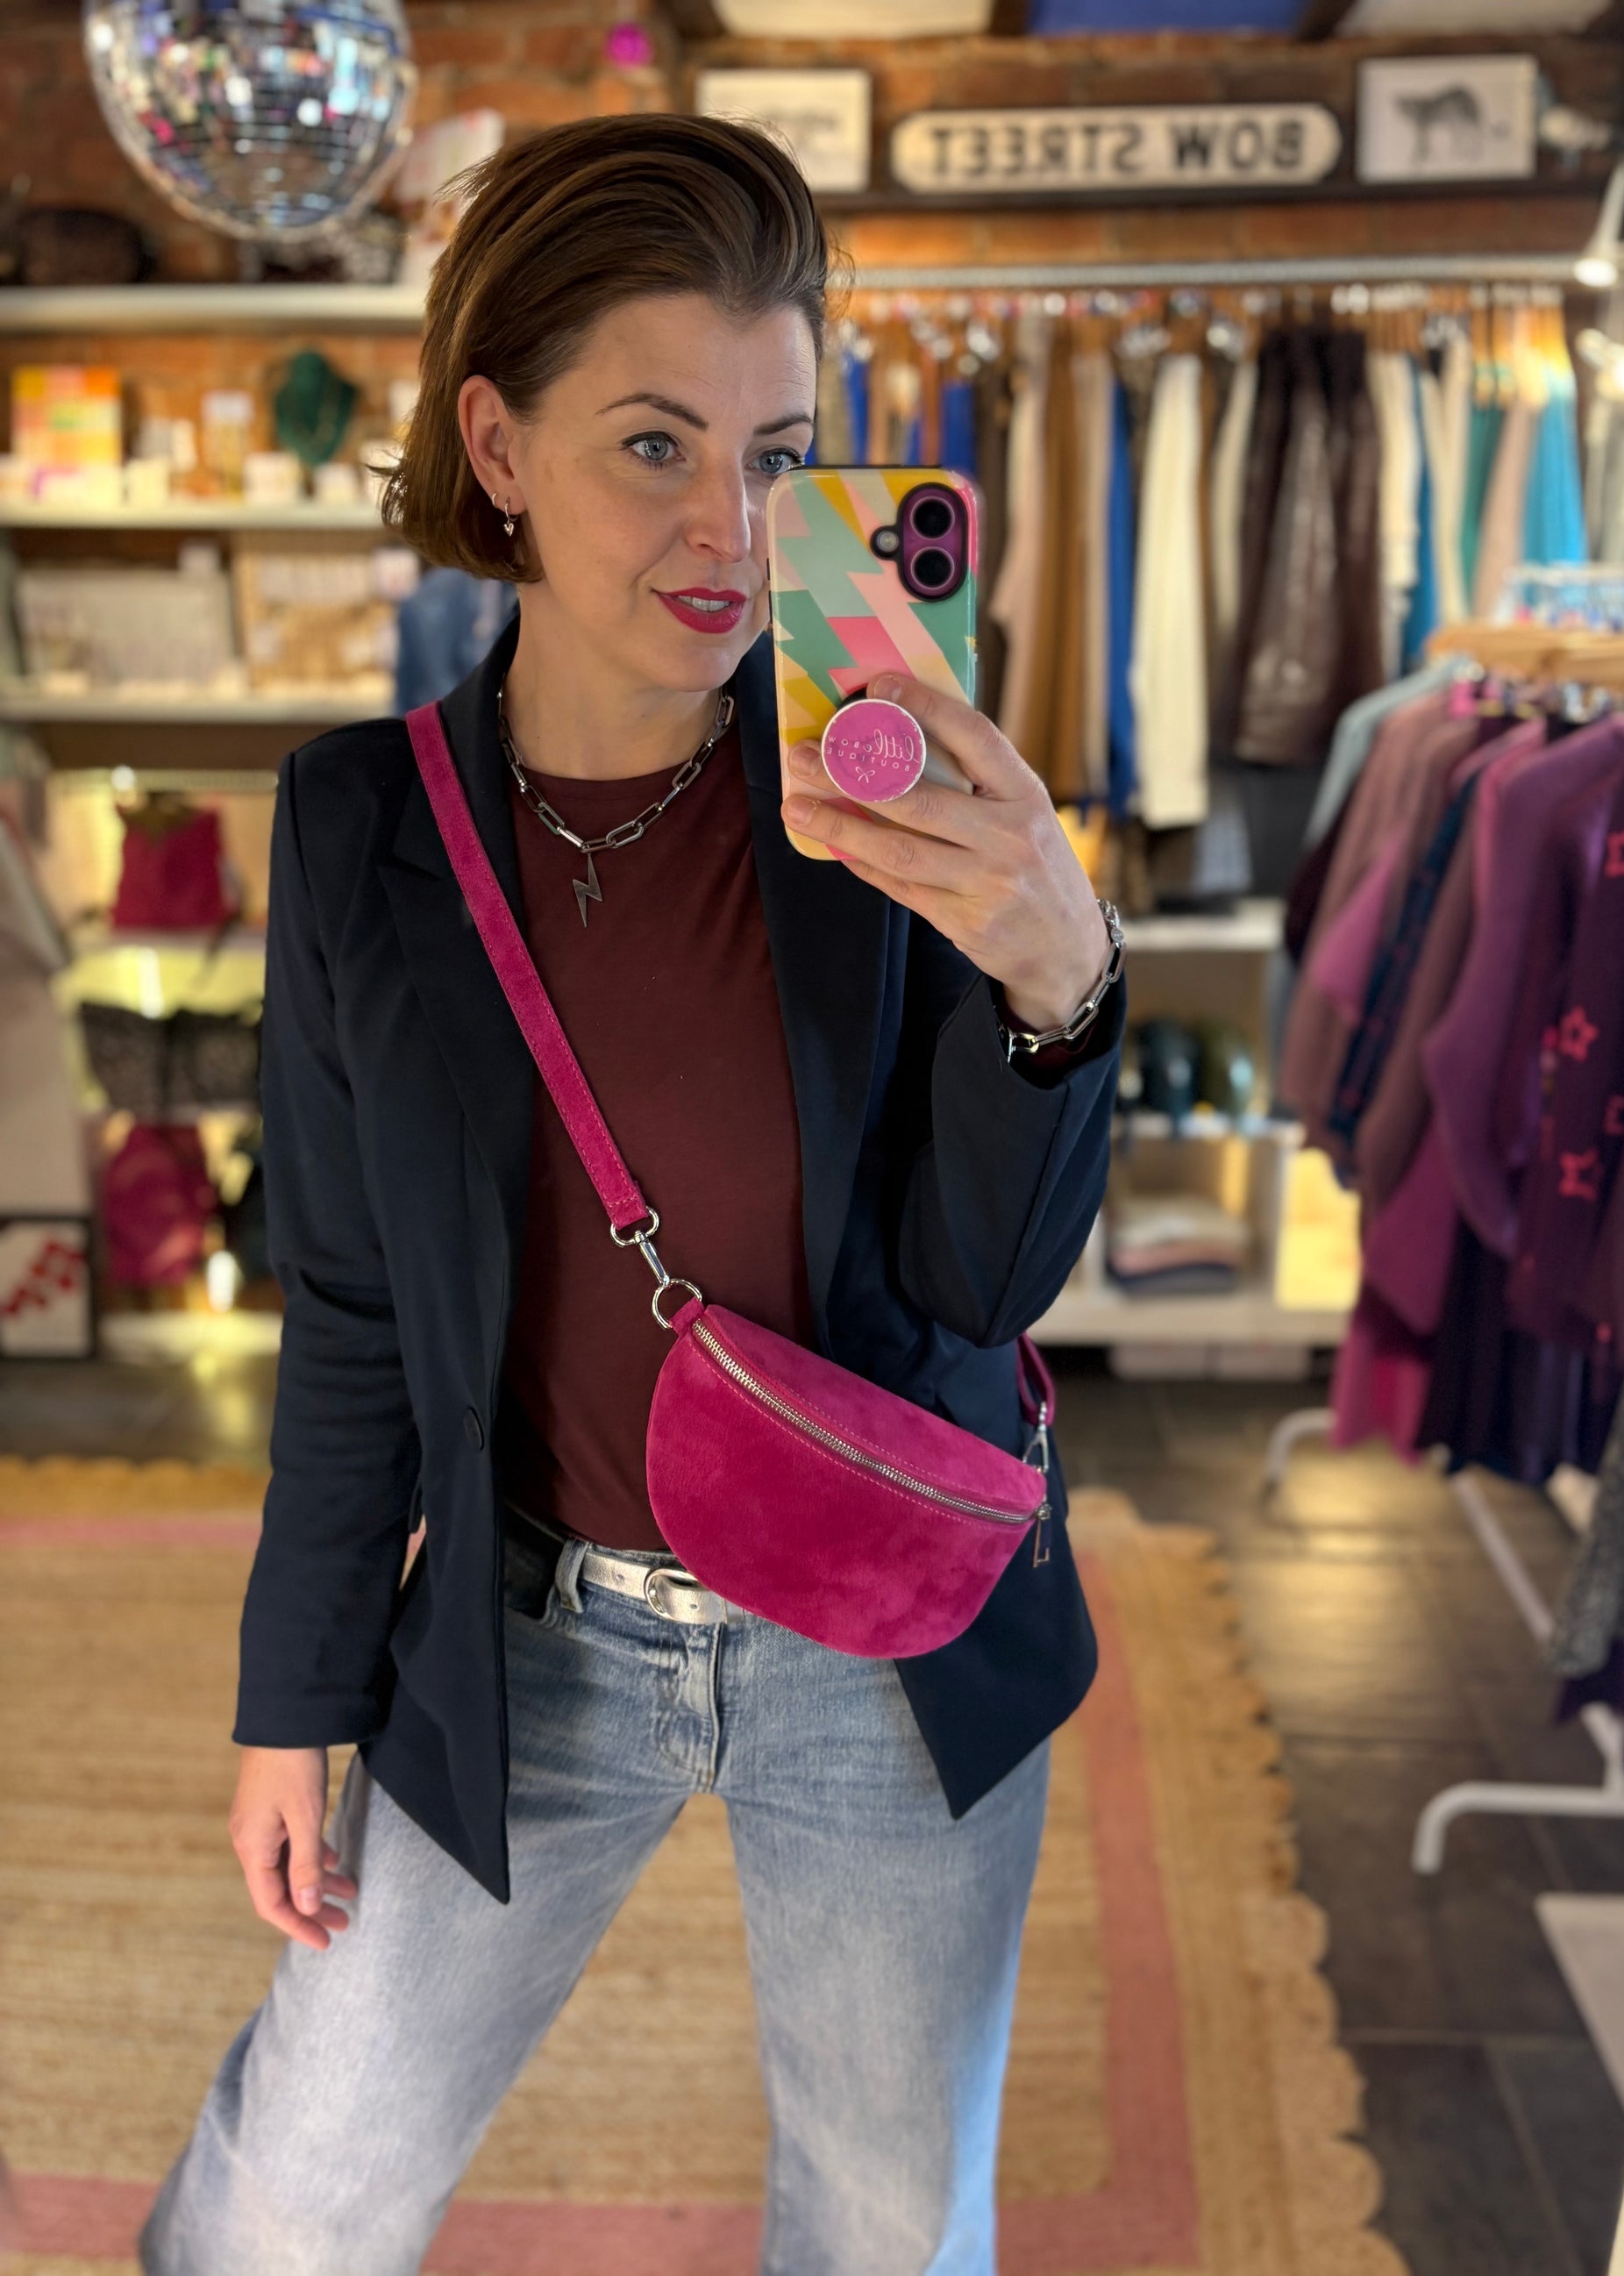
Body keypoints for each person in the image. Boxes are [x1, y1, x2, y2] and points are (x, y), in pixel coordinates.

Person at [141, 114, 1124, 2276]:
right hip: (527, 1628)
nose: (731, 528)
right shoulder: (357, 827)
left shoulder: (875, 779)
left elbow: (983, 1276)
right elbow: (349, 1305)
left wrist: (1055, 982)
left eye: (781, 456)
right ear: (495, 442)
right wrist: (290, 1691)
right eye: (655, 443)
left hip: (882, 1624)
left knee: (885, 2230)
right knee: (278, 2205)